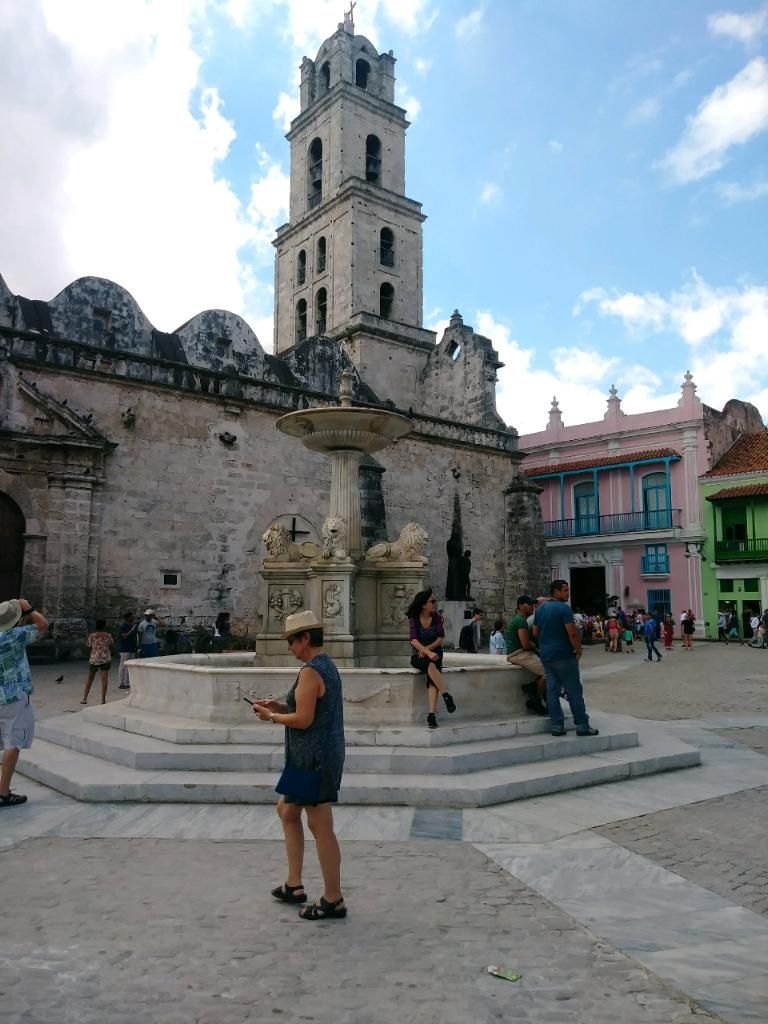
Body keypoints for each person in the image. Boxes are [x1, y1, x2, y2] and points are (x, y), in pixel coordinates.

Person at [252, 610, 347, 921]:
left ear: (305, 638)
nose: (289, 647)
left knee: (321, 827)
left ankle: (333, 899)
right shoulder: (325, 665)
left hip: (312, 759)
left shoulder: (310, 671)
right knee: (287, 810)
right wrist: (279, 704)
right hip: (312, 757)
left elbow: (304, 719)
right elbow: (307, 707)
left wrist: (272, 717)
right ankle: (294, 884)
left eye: (292, 641)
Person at [532, 580, 598, 738]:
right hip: (563, 655)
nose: (568, 593)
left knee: (552, 691)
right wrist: (578, 649)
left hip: (547, 655)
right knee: (574, 690)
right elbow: (572, 632)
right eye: (565, 590)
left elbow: (535, 632)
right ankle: (582, 725)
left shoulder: (540, 609)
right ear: (556, 591)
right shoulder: (564, 609)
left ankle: (557, 725)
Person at [0, 598, 49, 807]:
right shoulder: (14, 636)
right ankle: (3, 793)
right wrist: (29, 609)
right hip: (14, 696)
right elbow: (43, 625)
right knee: (13, 742)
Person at [407, 589, 457, 729]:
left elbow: (440, 639)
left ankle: (431, 715)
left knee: (432, 673)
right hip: (418, 655)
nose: (434, 604)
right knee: (431, 666)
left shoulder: (436, 617)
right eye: (432, 601)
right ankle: (446, 695)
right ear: (423, 604)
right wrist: (426, 652)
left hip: (435, 653)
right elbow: (413, 640)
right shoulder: (414, 618)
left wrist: (428, 649)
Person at [505, 595, 547, 715]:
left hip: (517, 653)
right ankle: (535, 698)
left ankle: (533, 688)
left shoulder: (518, 619)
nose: (532, 606)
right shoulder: (520, 621)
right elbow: (525, 644)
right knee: (548, 672)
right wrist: (533, 645)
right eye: (529, 604)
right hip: (518, 654)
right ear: (520, 605)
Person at [81, 619, 113, 705]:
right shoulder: (108, 635)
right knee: (104, 680)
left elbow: (89, 647)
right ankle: (103, 699)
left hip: (94, 659)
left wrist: (92, 654)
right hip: (105, 658)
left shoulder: (92, 636)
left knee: (90, 679)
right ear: (104, 626)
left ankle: (84, 698)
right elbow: (110, 645)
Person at [116, 611, 137, 689]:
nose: (133, 618)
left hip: (132, 648)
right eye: (132, 617)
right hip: (124, 649)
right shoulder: (123, 626)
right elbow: (124, 636)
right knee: (123, 666)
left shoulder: (132, 626)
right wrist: (132, 630)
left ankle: (128, 683)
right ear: (128, 618)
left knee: (130, 666)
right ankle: (121, 683)